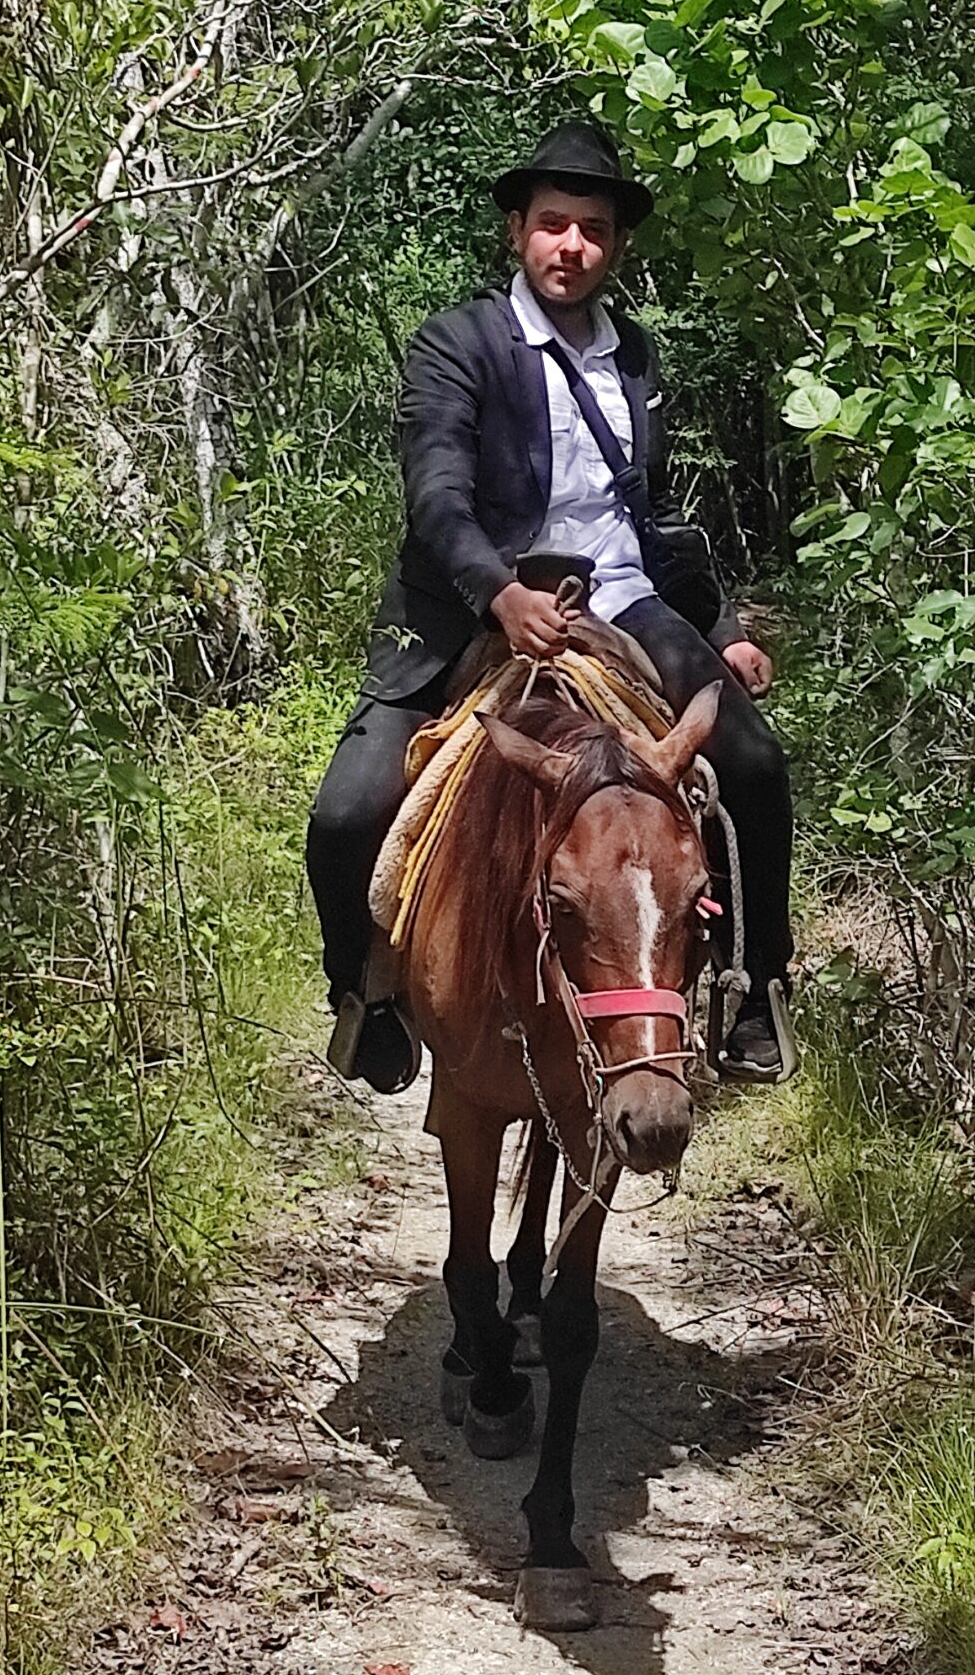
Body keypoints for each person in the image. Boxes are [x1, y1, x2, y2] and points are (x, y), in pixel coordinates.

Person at [306, 120, 795, 1092]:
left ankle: (752, 991)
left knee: (751, 760)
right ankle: (366, 997)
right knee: (345, 809)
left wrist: (723, 633)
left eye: (591, 230)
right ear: (517, 232)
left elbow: (657, 518)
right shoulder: (458, 346)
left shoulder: (638, 358)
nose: (571, 245)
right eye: (553, 225)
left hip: (621, 597)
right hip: (466, 604)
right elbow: (437, 495)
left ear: (614, 245)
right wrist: (500, 592)